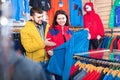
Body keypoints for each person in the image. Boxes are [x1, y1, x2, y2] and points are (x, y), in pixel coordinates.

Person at [20, 7, 56, 80]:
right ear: (32, 17)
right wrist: (44, 43)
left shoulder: (47, 26)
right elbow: (28, 48)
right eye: (38, 17)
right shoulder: (25, 30)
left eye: (42, 16)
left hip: (48, 61)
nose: (41, 18)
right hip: (35, 63)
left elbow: (52, 41)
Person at [46, 10, 72, 80]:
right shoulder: (51, 31)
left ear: (66, 19)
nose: (61, 20)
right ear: (56, 20)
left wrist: (87, 36)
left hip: (68, 60)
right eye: (59, 19)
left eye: (63, 18)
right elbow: (48, 44)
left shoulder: (70, 31)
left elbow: (75, 43)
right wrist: (49, 50)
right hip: (58, 61)